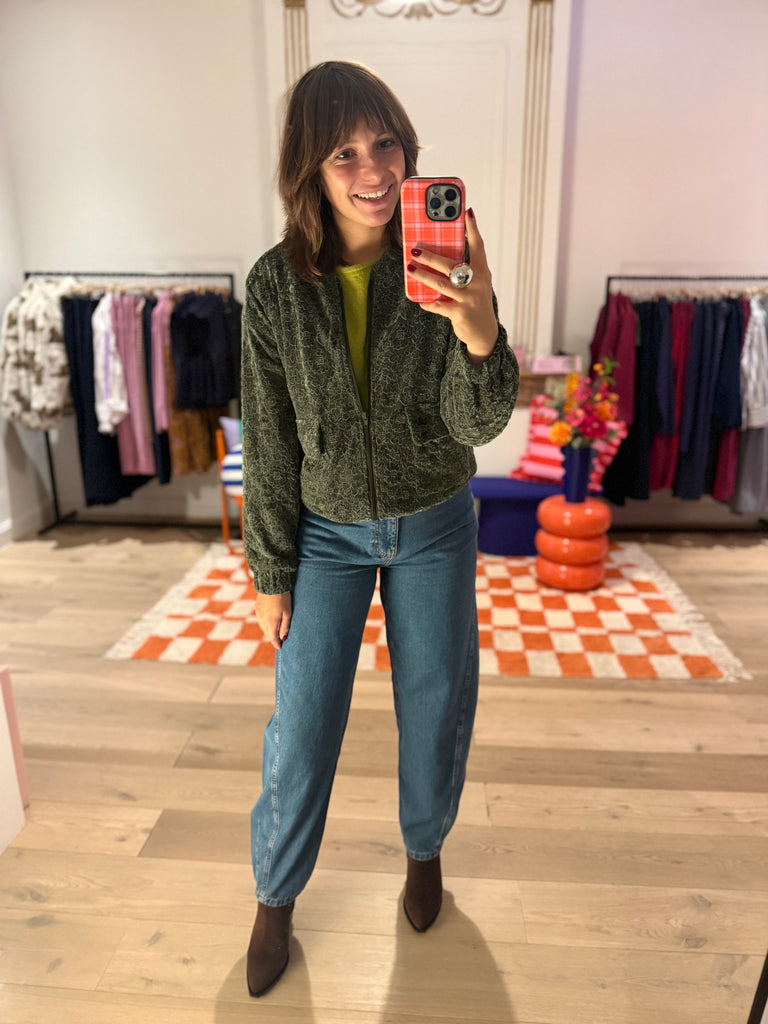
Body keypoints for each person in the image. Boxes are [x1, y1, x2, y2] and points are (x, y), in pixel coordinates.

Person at [241, 60, 519, 997]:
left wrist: (479, 330)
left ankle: (424, 850)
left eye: (386, 145)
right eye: (344, 154)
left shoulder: (444, 258)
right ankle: (275, 898)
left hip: (435, 520)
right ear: (309, 170)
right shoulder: (275, 287)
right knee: (303, 723)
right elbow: (270, 434)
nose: (372, 171)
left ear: (409, 150)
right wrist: (270, 568)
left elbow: (477, 422)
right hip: (323, 532)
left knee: (436, 702)